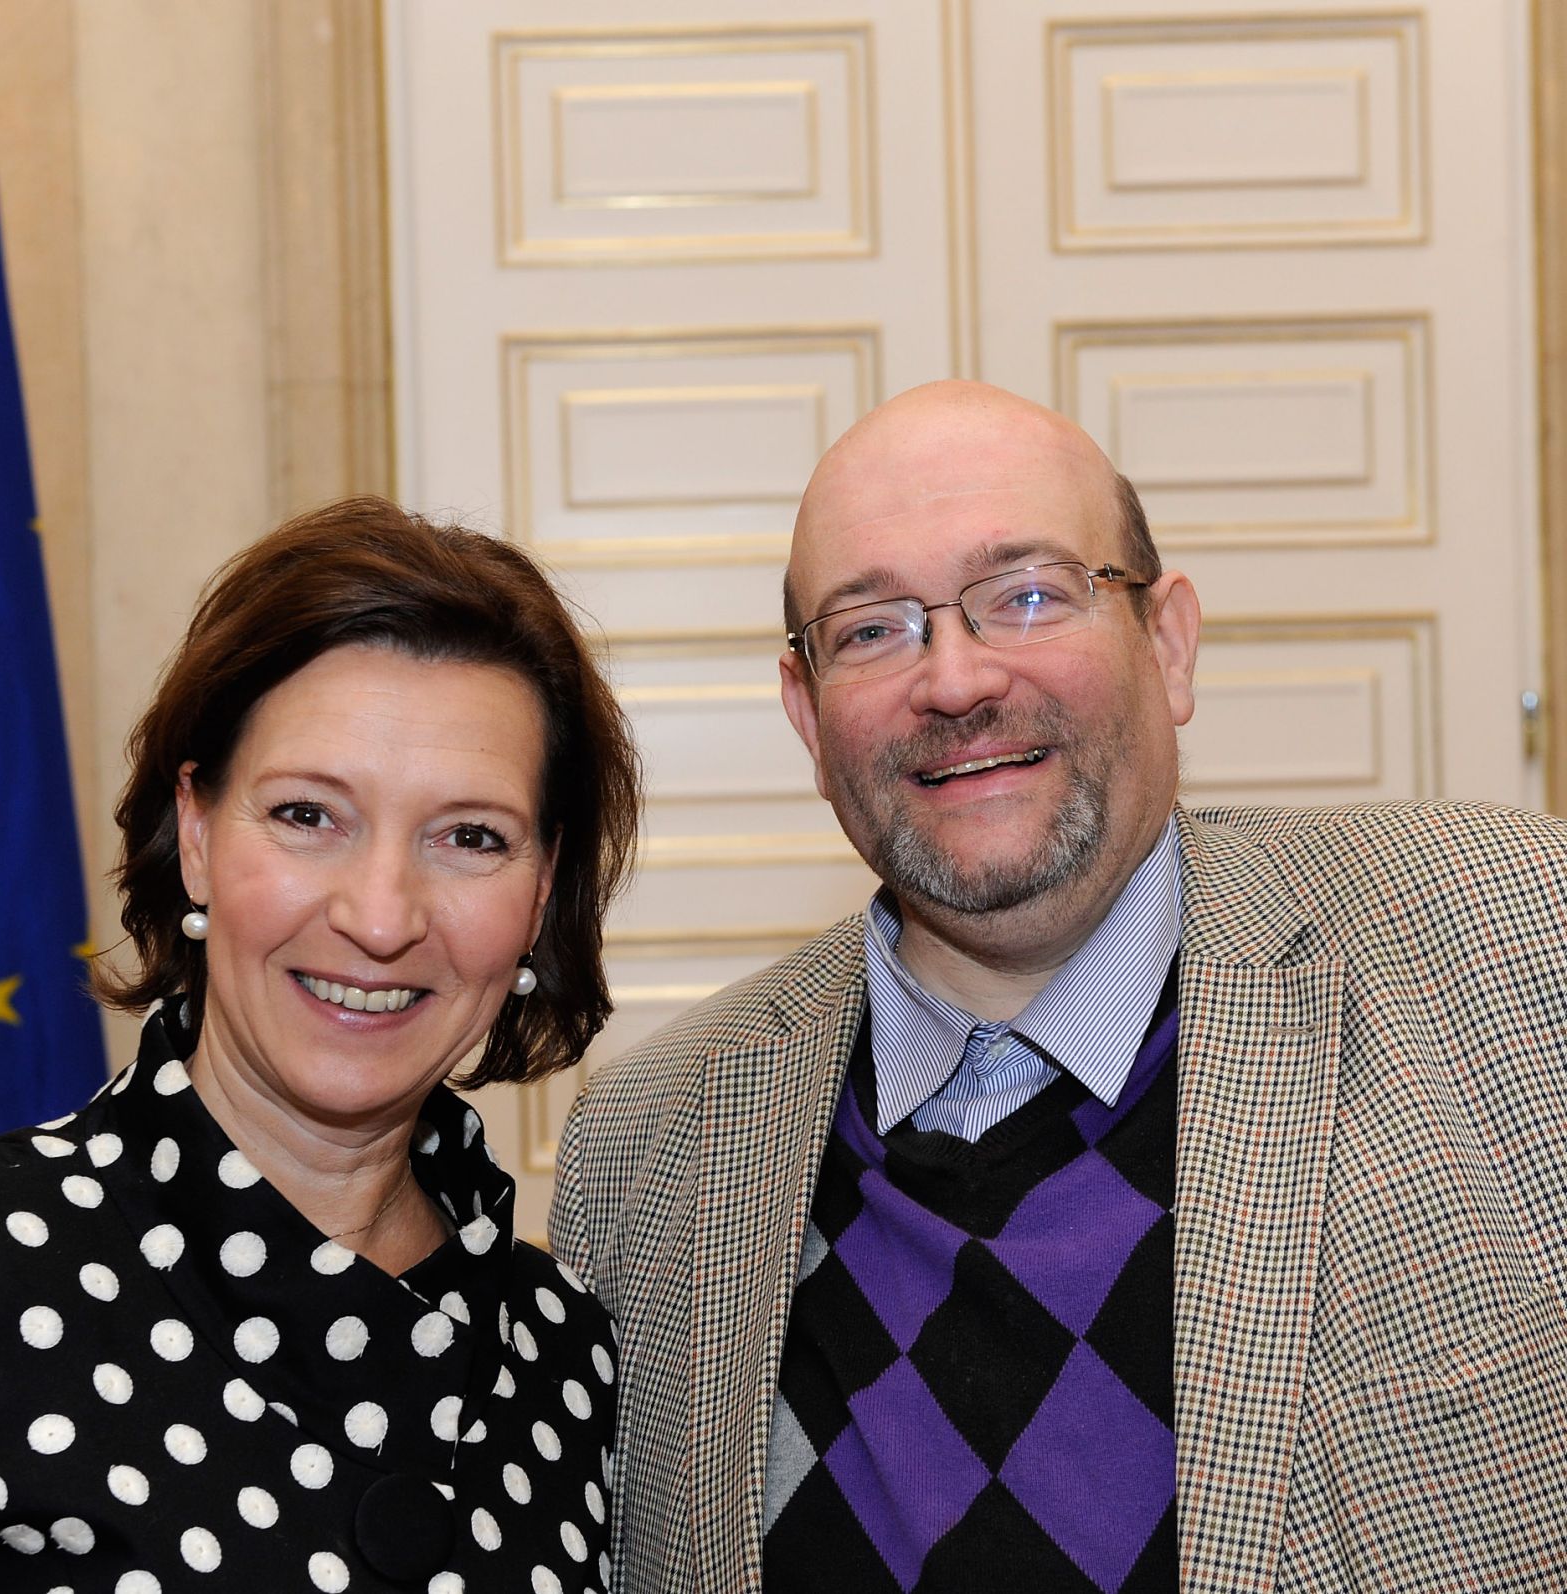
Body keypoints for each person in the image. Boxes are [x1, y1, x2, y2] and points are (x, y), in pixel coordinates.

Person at [550, 381, 1567, 1593]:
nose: (955, 679)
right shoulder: (645, 1148)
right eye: (870, 627)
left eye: (1027, 595)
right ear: (806, 717)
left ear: (1168, 643)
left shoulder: (1510, 943)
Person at [0, 498, 639, 1592]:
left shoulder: (566, 1348)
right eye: (307, 814)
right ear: (195, 834)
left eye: (470, 836)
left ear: (539, 895)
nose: (380, 915)